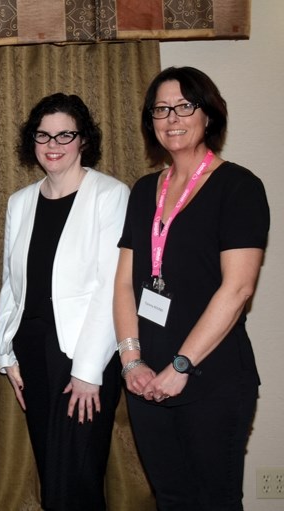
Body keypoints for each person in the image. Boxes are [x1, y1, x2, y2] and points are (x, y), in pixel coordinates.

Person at [114, 66, 269, 510]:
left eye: (184, 105)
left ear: (208, 115)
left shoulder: (238, 187)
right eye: (160, 109)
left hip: (212, 378)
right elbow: (125, 283)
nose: (171, 117)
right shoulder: (145, 191)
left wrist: (181, 366)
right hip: (145, 380)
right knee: (171, 497)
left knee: (213, 500)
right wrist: (131, 362)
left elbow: (237, 290)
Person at [0, 93, 128, 510]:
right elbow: (10, 286)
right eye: (43, 135)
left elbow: (113, 286)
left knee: (79, 475)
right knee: (52, 469)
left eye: (65, 134)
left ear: (83, 139)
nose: (53, 144)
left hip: (84, 354)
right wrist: (7, 353)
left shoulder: (110, 195)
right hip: (32, 352)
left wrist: (89, 372)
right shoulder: (21, 201)